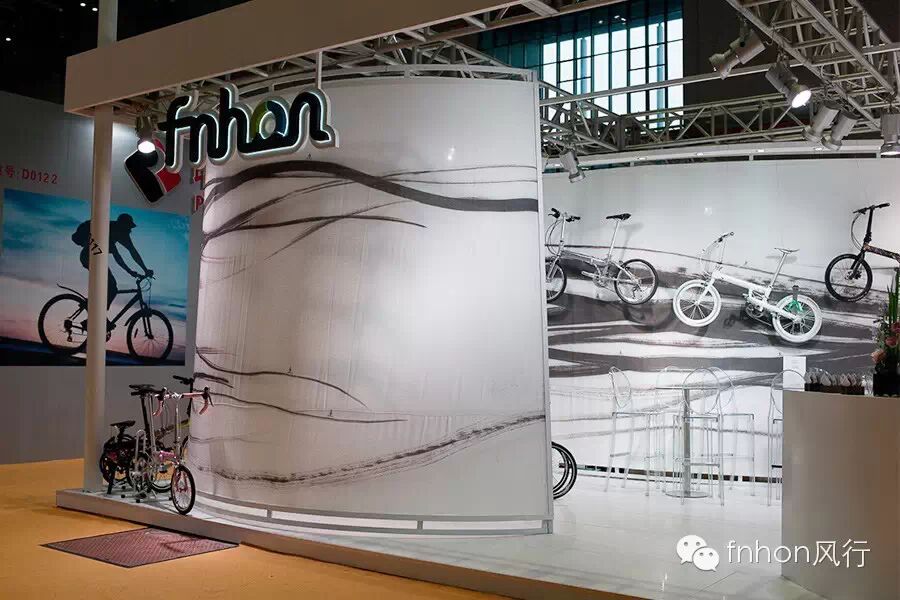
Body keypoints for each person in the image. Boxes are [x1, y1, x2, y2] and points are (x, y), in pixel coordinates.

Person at [72, 213, 153, 311]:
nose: (130, 231)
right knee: (112, 288)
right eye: (128, 227)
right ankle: (98, 314)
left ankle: (96, 309)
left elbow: (133, 252)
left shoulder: (121, 234)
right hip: (89, 257)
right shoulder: (108, 231)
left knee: (109, 288)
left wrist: (145, 269)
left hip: (94, 257)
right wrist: (130, 271)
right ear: (122, 226)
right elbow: (118, 257)